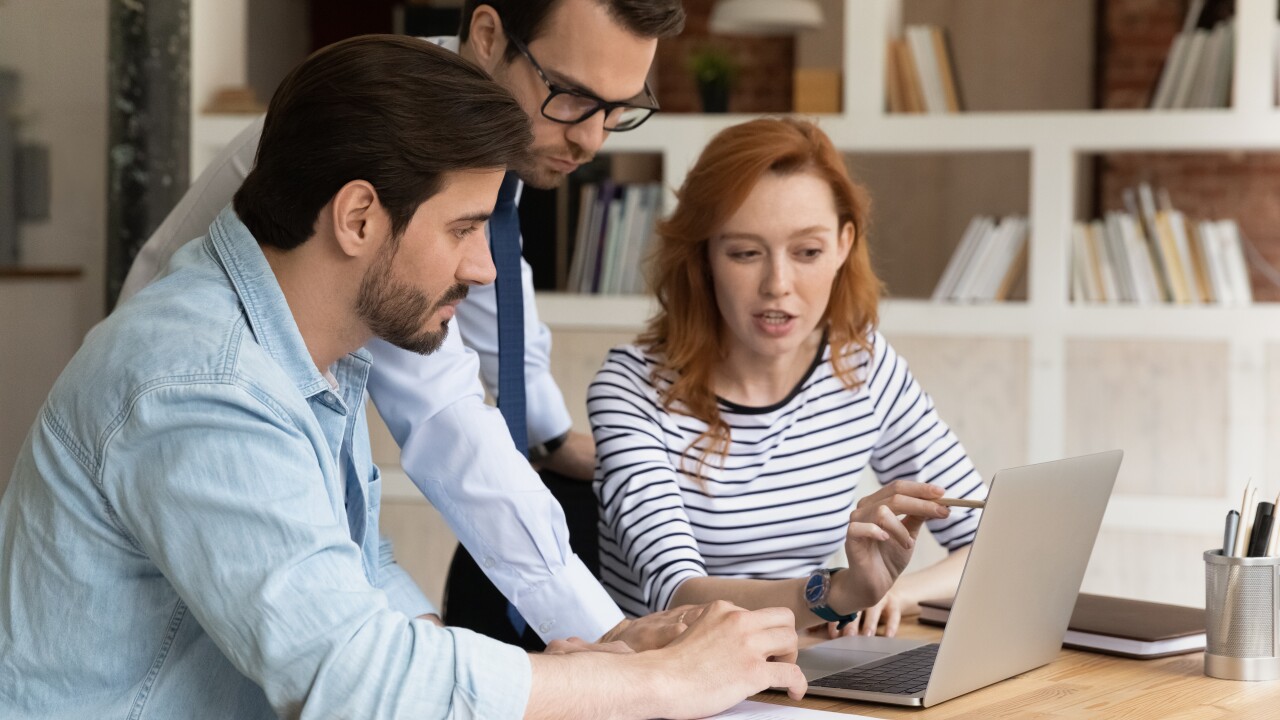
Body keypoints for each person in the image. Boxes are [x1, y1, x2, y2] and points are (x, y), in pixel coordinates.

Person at [0, 36, 806, 719]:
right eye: (463, 228)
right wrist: (652, 682)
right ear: (358, 218)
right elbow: (352, 679)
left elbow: (351, 579)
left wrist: (592, 661)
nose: (485, 269)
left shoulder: (315, 350)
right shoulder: (204, 383)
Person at [119, 0, 685, 650]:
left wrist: (547, 431)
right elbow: (446, 419)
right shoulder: (389, 148)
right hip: (172, 509)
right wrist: (612, 639)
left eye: (619, 109)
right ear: (488, 34)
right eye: (573, 97)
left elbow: (500, 273)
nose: (593, 138)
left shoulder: (475, 129)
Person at [587, 117, 988, 638]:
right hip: (670, 682)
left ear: (844, 244)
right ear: (704, 255)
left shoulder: (864, 367)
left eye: (807, 252)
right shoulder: (631, 389)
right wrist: (836, 594)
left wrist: (890, 592)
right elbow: (678, 594)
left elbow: (990, 541)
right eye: (745, 253)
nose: (778, 284)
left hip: (808, 672)